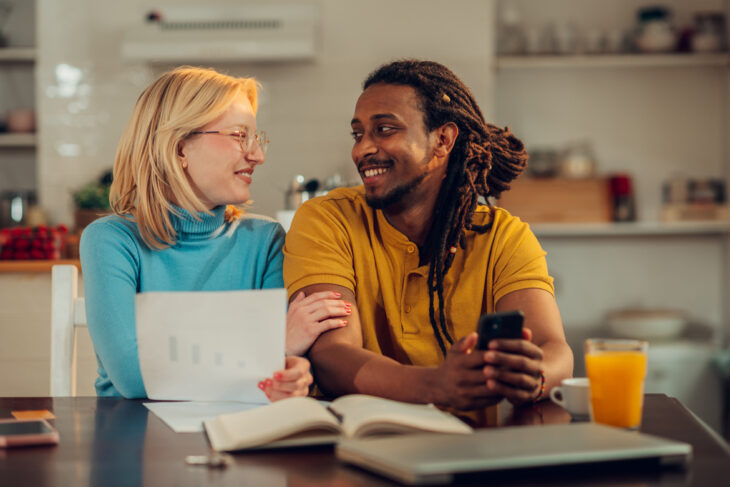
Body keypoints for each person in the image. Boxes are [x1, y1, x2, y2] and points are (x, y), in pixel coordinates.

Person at [283, 59, 573, 410]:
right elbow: (333, 356)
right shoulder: (328, 220)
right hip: (355, 451)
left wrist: (532, 374)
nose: (362, 149)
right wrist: (437, 386)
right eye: (358, 134)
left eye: (385, 129)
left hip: (468, 451)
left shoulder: (504, 237)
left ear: (443, 140)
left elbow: (553, 349)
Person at [80, 66, 348, 400]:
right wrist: (274, 345)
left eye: (257, 139)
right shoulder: (111, 241)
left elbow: (282, 364)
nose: (258, 155)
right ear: (179, 148)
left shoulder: (266, 241)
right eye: (239, 136)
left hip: (239, 430)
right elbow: (136, 378)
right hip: (135, 435)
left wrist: (294, 372)